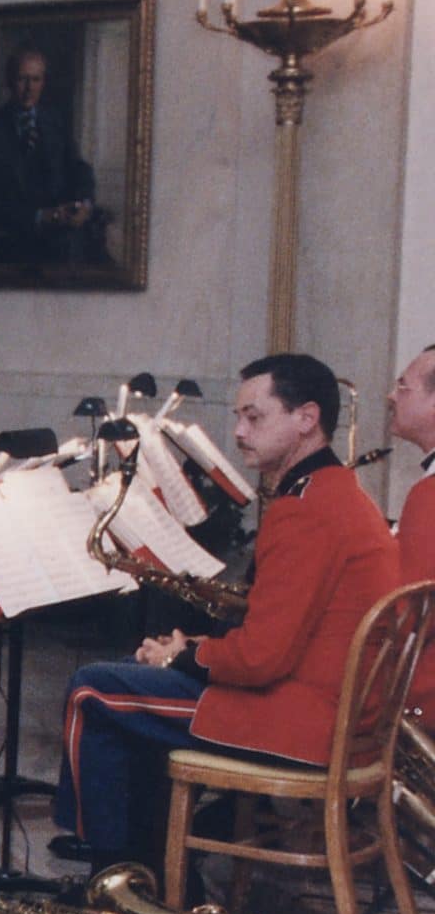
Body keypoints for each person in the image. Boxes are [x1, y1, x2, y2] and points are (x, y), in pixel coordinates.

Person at [52, 356, 402, 872]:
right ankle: (157, 869)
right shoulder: (340, 493)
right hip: (344, 719)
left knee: (92, 691)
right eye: (239, 416)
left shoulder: (307, 510)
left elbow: (262, 658)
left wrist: (183, 658)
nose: (238, 431)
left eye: (255, 417)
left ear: (306, 418)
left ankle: (115, 872)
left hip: (303, 722)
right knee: (130, 684)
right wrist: (188, 653)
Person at [0, 47, 103, 267]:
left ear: (43, 82)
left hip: (58, 236)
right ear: (9, 81)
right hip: (11, 237)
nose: (29, 88)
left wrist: (84, 204)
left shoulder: (56, 123)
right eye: (22, 79)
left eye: (36, 80)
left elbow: (79, 169)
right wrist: (40, 216)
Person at [388, 345, 435, 720]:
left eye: (403, 387)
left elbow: (407, 616)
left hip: (422, 697)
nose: (390, 396)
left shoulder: (430, 494)